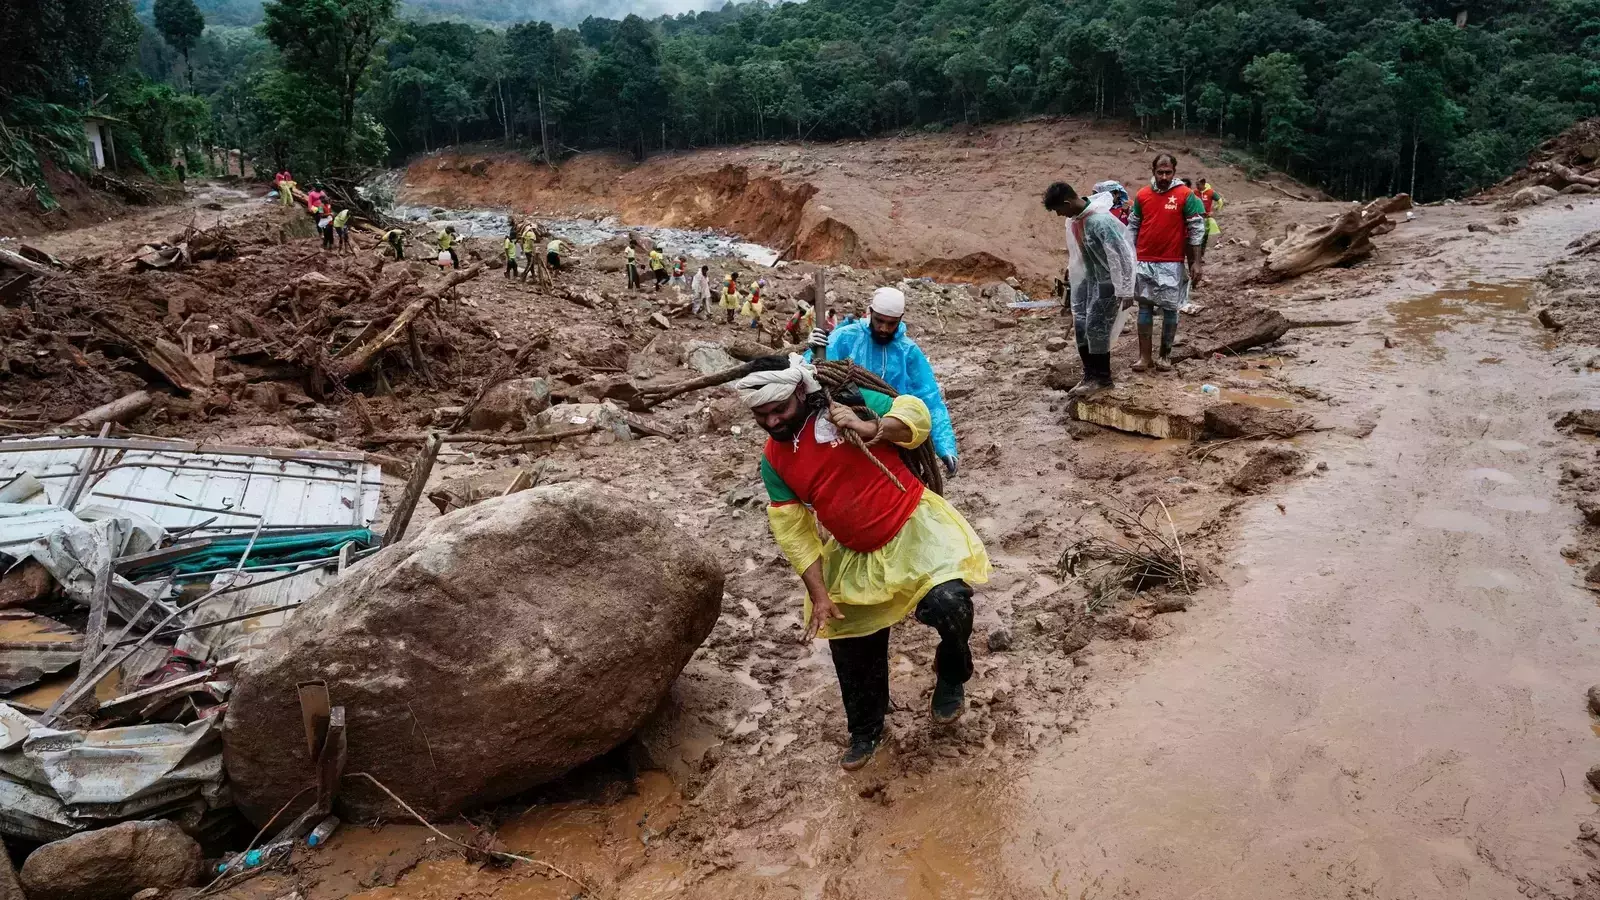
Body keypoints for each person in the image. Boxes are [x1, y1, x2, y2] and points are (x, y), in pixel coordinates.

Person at [737, 355, 990, 770]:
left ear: (800, 391)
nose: (771, 422)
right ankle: (866, 730)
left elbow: (913, 413)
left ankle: (952, 671)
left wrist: (870, 427)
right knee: (851, 643)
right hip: (855, 553)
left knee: (949, 604)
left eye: (778, 410)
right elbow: (793, 531)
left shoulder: (851, 402)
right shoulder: (774, 460)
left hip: (914, 528)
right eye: (760, 415)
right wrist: (818, 595)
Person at [808, 287, 961, 477]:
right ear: (870, 312)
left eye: (891, 323)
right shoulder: (845, 338)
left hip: (893, 435)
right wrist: (812, 352)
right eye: (879, 321)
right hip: (847, 432)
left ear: (901, 319)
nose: (884, 328)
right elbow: (819, 373)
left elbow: (929, 400)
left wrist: (945, 447)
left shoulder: (908, 352)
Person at [1043, 181, 1136, 397]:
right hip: (1089, 281)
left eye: (1058, 210)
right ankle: (1089, 375)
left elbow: (1124, 256)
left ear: (1067, 203)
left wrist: (1126, 289)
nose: (1059, 215)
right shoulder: (1076, 221)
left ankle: (1103, 378)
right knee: (1082, 325)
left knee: (1097, 328)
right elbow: (1078, 257)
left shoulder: (1101, 222)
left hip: (1107, 283)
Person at [1127, 154, 1205, 372]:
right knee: (1144, 306)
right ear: (1153, 170)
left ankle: (1165, 355)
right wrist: (1129, 255)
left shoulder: (1185, 195)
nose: (1163, 176)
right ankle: (1145, 357)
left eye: (1168, 172)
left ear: (1174, 171)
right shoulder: (1142, 195)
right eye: (1160, 172)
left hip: (1171, 261)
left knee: (1171, 309)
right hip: (1144, 260)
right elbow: (1133, 226)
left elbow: (1196, 229)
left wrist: (1196, 262)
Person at [1196, 176, 1223, 258]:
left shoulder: (1211, 192)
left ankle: (1201, 256)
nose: (1197, 186)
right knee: (1196, 237)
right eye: (1196, 184)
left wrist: (1214, 211)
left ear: (1203, 184)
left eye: (1198, 185)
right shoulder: (1194, 192)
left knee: (1204, 237)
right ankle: (1196, 257)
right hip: (1196, 217)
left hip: (1206, 218)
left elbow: (1220, 202)